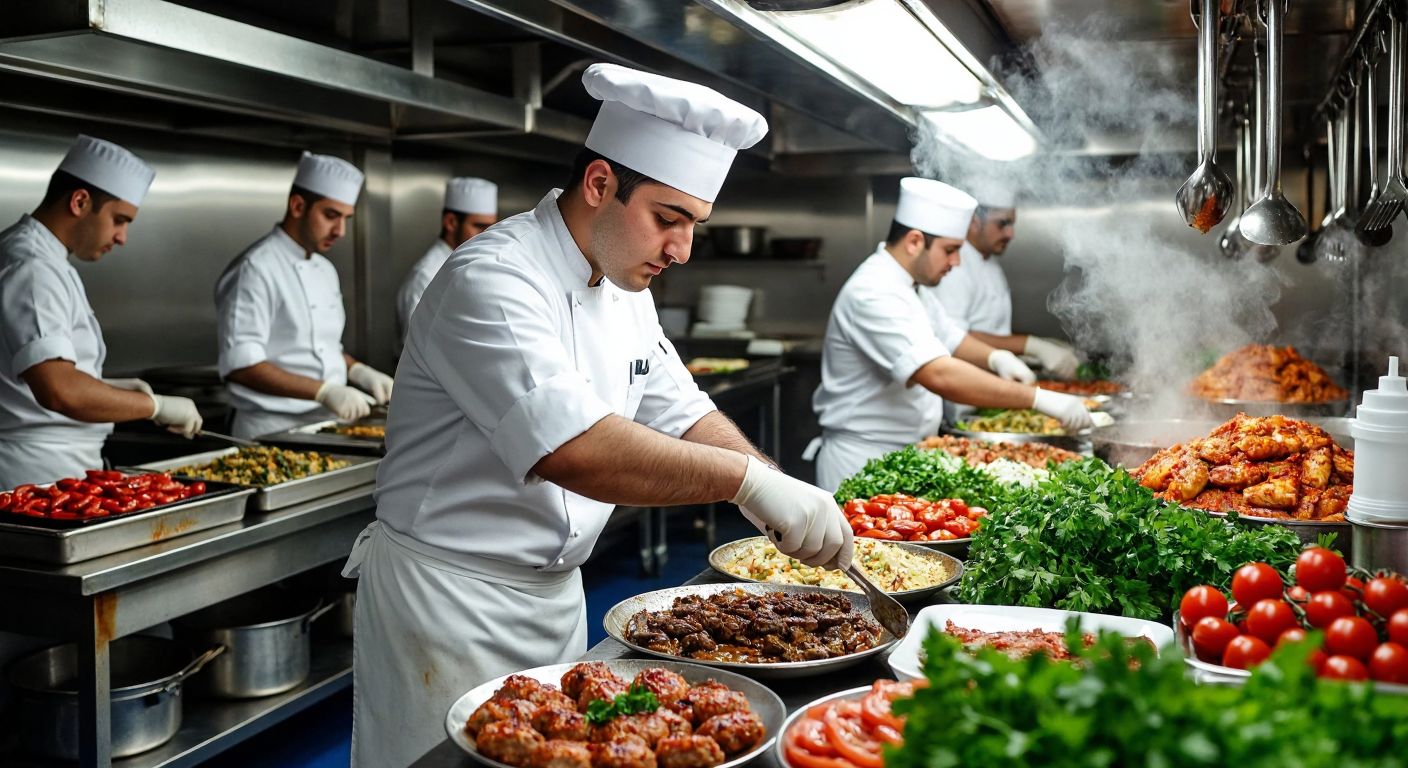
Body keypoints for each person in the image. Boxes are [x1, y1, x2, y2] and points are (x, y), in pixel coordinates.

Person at [343, 62, 852, 767]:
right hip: (450, 605)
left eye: (695, 225)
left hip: (555, 598)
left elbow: (683, 410)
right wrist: (745, 483)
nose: (681, 250)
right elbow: (575, 449)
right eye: (668, 220)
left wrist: (779, 491)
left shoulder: (624, 287)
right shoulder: (491, 278)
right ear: (600, 184)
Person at [810, 178, 1093, 491]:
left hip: (904, 456)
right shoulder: (874, 292)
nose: (957, 262)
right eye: (951, 250)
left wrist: (996, 357)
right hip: (862, 460)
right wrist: (1037, 398)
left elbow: (951, 337)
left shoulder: (911, 286)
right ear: (915, 241)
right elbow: (939, 374)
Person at [0, 135, 202, 487]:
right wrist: (154, 407)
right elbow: (59, 390)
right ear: (80, 201)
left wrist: (118, 390)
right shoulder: (32, 267)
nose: (122, 237)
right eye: (119, 220)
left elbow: (30, 379)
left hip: (59, 470)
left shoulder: (46, 259)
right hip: (36, 475)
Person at [215, 152, 395, 439]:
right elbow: (241, 365)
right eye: (331, 215)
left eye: (346, 218)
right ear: (297, 205)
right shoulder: (256, 268)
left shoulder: (325, 269)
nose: (341, 231)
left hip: (325, 425)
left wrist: (359, 370)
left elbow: (322, 348)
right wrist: (324, 391)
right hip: (270, 431)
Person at [921, 190, 1079, 379]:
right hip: (967, 384)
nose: (1010, 234)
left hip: (996, 378)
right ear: (974, 222)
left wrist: (1030, 351)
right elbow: (955, 336)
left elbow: (992, 330)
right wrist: (1031, 345)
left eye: (1012, 223)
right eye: (1002, 224)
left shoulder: (990, 262)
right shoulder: (953, 266)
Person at [396, 177, 498, 340]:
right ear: (451, 222)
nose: (489, 235)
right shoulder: (426, 276)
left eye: (492, 227)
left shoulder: (477, 263)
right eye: (479, 226)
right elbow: (418, 345)